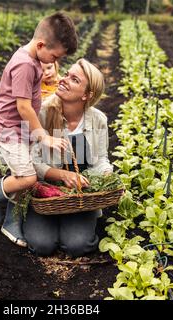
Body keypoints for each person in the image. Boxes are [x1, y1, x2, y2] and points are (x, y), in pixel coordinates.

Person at [0, 12, 78, 247]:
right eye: (54, 56)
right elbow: (24, 107)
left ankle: (11, 221)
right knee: (27, 178)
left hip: (21, 130)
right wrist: (43, 136)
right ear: (40, 44)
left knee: (23, 173)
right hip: (10, 130)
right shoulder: (25, 64)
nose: (52, 63)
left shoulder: (33, 59)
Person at [25, 58, 113, 257]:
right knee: (41, 245)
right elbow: (33, 159)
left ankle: (71, 224)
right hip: (46, 189)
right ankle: (52, 222)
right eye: (66, 74)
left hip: (80, 194)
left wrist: (107, 174)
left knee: (78, 246)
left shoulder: (98, 119)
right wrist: (62, 175)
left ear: (86, 95)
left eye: (74, 80)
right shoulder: (42, 113)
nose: (63, 79)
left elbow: (100, 159)